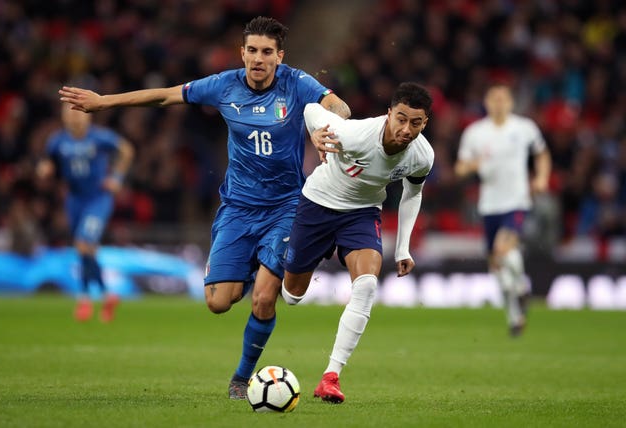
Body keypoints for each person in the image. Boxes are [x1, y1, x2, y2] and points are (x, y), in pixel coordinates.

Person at [58, 16, 350, 399]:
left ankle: (241, 379)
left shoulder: (296, 83)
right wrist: (104, 102)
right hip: (238, 209)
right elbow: (163, 94)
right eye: (252, 51)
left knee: (264, 297)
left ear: (280, 56)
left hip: (284, 207)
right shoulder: (223, 85)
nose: (258, 59)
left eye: (266, 52)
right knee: (218, 302)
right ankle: (256, 267)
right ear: (241, 52)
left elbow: (337, 105)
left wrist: (328, 124)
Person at [281, 82, 434, 403]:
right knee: (292, 295)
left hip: (361, 214)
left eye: (416, 123)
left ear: (425, 123)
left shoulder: (423, 156)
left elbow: (413, 193)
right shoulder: (354, 134)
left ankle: (330, 377)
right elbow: (311, 109)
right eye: (401, 119)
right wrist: (315, 133)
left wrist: (403, 246)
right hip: (317, 205)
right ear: (389, 113)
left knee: (366, 286)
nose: (407, 129)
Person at [454, 83, 551, 337]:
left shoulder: (524, 128)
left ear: (510, 102)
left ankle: (519, 288)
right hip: (489, 205)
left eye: (503, 99)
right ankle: (515, 315)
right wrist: (474, 164)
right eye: (494, 98)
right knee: (496, 265)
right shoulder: (475, 133)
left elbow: (542, 154)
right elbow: (460, 168)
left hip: (516, 200)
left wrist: (541, 178)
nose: (498, 103)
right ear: (486, 102)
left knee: (503, 247)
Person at [37, 102, 134, 322]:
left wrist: (117, 178)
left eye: (78, 114)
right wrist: (45, 170)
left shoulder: (100, 137)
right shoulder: (57, 141)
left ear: (88, 116)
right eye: (69, 114)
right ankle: (107, 295)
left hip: (98, 199)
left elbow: (127, 150)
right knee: (85, 249)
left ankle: (84, 298)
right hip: (74, 199)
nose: (74, 118)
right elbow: (47, 162)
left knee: (83, 244)